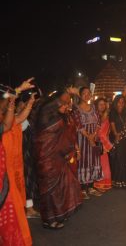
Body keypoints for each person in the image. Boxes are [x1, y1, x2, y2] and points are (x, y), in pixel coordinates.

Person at [35, 91, 82, 229]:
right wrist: (67, 92)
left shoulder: (58, 116)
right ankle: (49, 220)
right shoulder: (44, 117)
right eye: (62, 104)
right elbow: (49, 139)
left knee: (62, 187)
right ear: (53, 105)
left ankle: (59, 214)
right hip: (46, 158)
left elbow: (68, 134)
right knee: (49, 190)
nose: (65, 106)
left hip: (57, 158)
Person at [0, 78, 34, 246]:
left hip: (10, 172)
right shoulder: (3, 121)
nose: (8, 104)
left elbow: (19, 119)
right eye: (6, 102)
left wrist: (29, 103)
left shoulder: (6, 119)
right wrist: (17, 91)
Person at [72, 87, 102, 199]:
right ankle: (82, 189)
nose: (86, 95)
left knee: (93, 160)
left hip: (93, 138)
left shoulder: (94, 108)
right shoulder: (76, 109)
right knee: (83, 161)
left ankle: (90, 186)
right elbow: (78, 125)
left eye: (88, 93)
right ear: (80, 95)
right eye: (84, 93)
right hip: (82, 139)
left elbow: (98, 121)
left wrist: (93, 135)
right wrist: (88, 136)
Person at [109, 95, 126, 188]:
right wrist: (116, 134)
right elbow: (112, 124)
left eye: (122, 102)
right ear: (115, 102)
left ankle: (125, 180)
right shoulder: (113, 112)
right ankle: (117, 180)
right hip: (117, 138)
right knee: (118, 159)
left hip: (125, 138)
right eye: (119, 102)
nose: (121, 104)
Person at [93, 98, 113, 191]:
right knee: (99, 163)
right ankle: (98, 184)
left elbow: (106, 132)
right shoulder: (95, 116)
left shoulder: (106, 116)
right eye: (100, 104)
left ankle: (104, 184)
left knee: (104, 163)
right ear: (96, 105)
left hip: (104, 142)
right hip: (98, 142)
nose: (102, 106)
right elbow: (99, 132)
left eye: (103, 104)